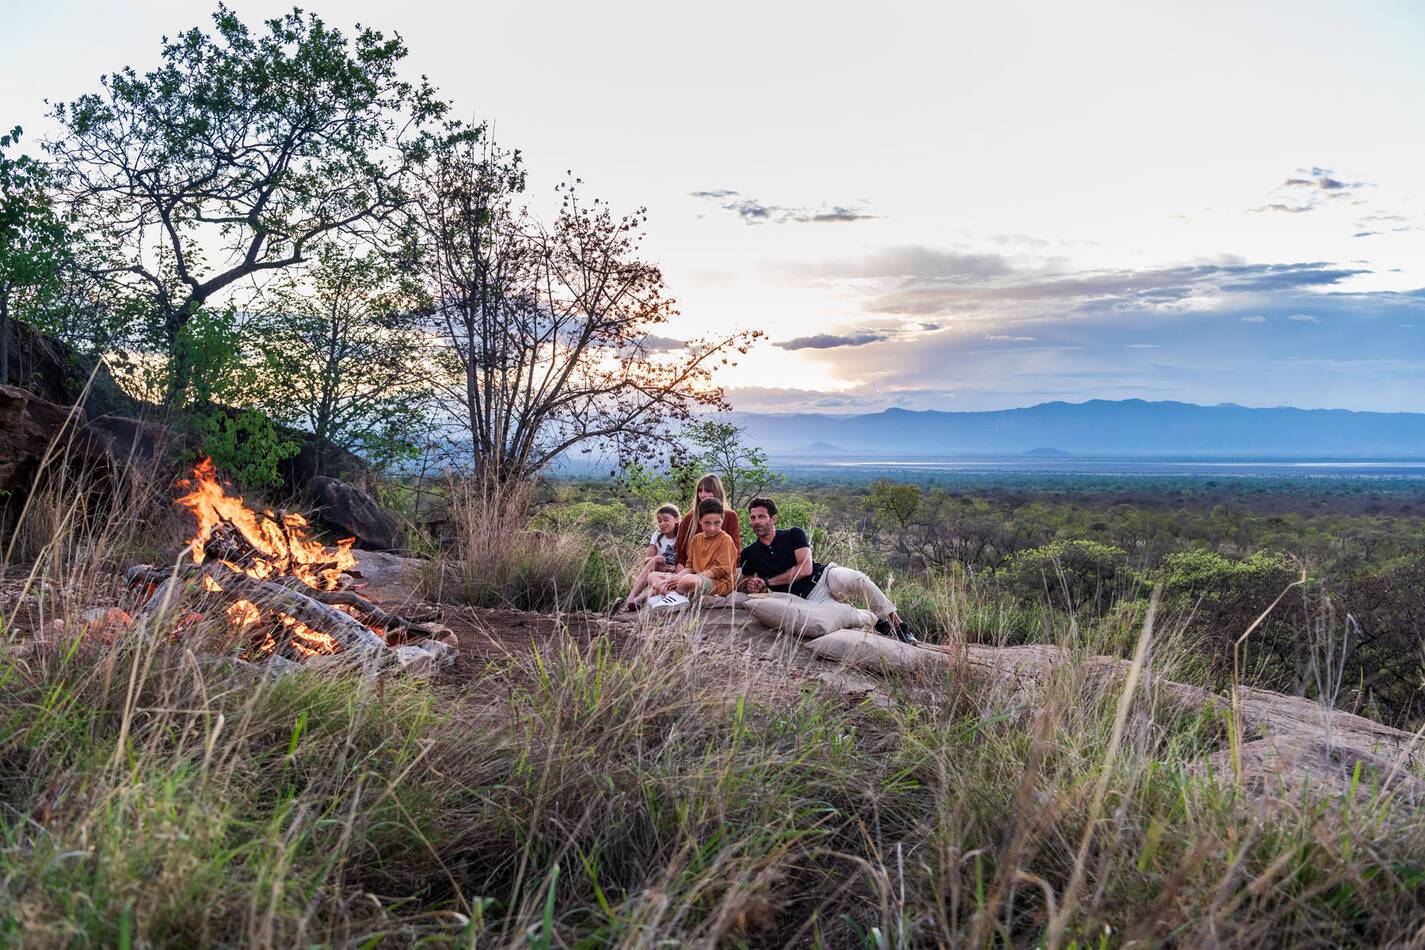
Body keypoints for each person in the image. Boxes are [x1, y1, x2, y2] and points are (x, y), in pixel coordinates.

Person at [738, 497, 918, 644]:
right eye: (753, 518)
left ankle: (900, 626)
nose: (756, 522)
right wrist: (752, 585)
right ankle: (874, 620)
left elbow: (805, 568)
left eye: (761, 517)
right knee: (847, 614)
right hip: (809, 598)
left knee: (859, 579)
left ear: (773, 519)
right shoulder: (749, 553)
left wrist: (768, 582)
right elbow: (744, 584)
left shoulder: (794, 534)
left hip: (825, 576)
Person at [648, 498, 738, 599]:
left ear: (722, 519)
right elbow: (690, 567)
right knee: (652, 576)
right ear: (700, 520)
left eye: (717, 523)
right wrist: (677, 577)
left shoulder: (725, 540)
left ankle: (672, 594)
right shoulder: (696, 539)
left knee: (688, 581)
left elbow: (719, 571)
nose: (712, 528)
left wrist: (688, 578)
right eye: (707, 523)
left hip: (718, 583)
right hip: (694, 578)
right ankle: (674, 596)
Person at [673, 474, 741, 568]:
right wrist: (679, 578)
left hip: (718, 571)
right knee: (653, 576)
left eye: (708, 491)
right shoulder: (689, 518)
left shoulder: (730, 517)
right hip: (689, 570)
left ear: (717, 492)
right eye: (700, 491)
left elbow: (735, 553)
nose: (703, 495)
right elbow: (681, 557)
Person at [622, 503, 680, 611]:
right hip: (661, 571)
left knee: (655, 582)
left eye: (666, 520)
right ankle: (630, 599)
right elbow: (647, 561)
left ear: (676, 519)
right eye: (659, 521)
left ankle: (638, 600)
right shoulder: (657, 535)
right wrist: (655, 558)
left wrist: (674, 568)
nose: (662, 523)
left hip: (678, 572)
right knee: (652, 563)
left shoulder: (682, 534)